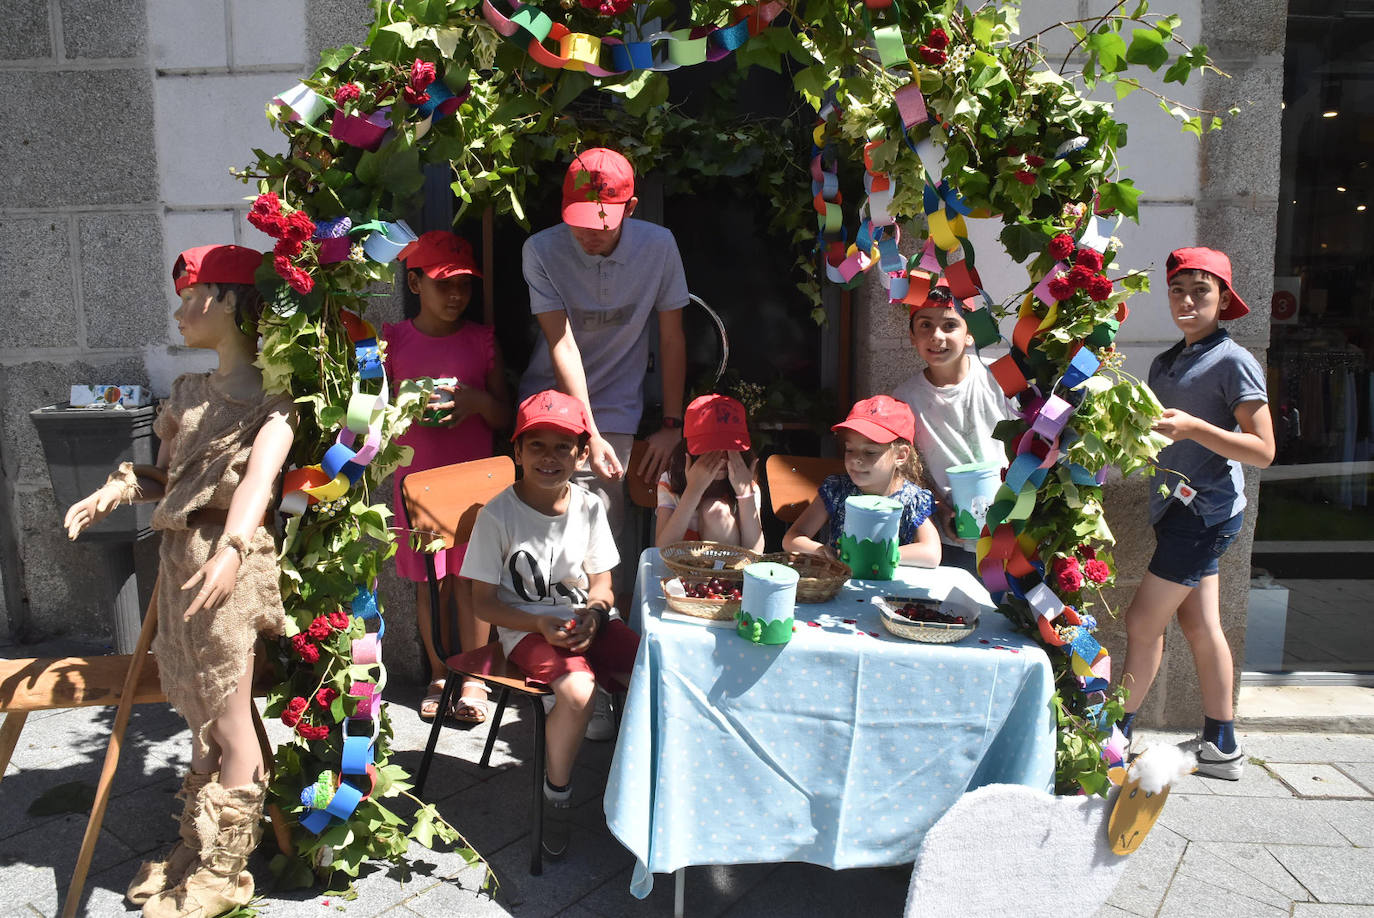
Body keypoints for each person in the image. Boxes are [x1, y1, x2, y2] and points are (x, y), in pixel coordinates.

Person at [63, 245, 294, 917]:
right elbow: (173, 480)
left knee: (230, 715)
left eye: (189, 293)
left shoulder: (276, 406)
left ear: (225, 301)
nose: (178, 308)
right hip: (180, 567)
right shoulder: (189, 393)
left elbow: (256, 485)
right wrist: (120, 486)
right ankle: (196, 844)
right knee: (200, 716)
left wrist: (231, 549)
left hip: (231, 570)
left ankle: (224, 868)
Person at [460, 390, 640, 858]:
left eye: (563, 446)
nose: (549, 457)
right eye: (536, 444)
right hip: (526, 629)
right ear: (516, 451)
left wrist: (597, 615)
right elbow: (483, 604)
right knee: (578, 692)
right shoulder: (498, 515)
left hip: (588, 622)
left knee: (652, 667)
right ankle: (557, 794)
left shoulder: (589, 506)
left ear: (582, 454)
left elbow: (603, 584)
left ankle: (640, 787)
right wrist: (539, 627)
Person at [1118, 247, 1274, 779]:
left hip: (1204, 514)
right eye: (1178, 289)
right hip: (1177, 509)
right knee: (1201, 623)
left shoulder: (1233, 361)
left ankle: (1114, 738)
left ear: (1224, 298)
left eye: (1201, 290)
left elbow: (1263, 450)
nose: (1187, 300)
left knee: (1142, 621)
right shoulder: (1168, 361)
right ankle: (1221, 746)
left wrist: (1193, 429)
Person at [518, 146, 690, 566]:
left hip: (616, 403)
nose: (588, 234)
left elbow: (671, 337)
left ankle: (600, 623)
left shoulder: (660, 246)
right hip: (550, 400)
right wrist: (586, 432)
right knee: (544, 530)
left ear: (629, 208)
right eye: (578, 221)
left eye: (602, 224)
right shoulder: (540, 250)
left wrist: (672, 423)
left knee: (600, 529)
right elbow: (563, 342)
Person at [385, 230, 511, 725]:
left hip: (474, 485)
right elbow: (371, 411)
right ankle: (440, 672)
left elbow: (504, 417)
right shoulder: (392, 341)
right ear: (415, 284)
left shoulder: (482, 339)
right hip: (417, 481)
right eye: (444, 285)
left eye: (464, 285)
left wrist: (476, 401)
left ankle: (475, 676)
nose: (457, 295)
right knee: (429, 582)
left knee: (472, 578)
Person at [891, 286, 1018, 573]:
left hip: (1010, 527)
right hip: (950, 538)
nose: (937, 336)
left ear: (970, 333)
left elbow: (1032, 438)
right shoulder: (904, 399)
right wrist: (939, 506)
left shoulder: (1001, 376)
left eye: (950, 325)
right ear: (912, 336)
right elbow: (906, 469)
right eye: (925, 325)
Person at [782, 395, 941, 567]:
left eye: (870, 452)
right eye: (850, 449)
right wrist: (820, 550)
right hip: (841, 587)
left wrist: (876, 554)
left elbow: (932, 553)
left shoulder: (911, 499)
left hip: (891, 591)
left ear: (901, 455)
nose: (856, 459)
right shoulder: (836, 489)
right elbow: (792, 538)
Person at [654, 393, 763, 552]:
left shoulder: (747, 483)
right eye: (710, 449)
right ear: (689, 451)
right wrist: (693, 491)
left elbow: (755, 552)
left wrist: (745, 494)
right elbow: (663, 549)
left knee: (715, 510)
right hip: (681, 571)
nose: (721, 457)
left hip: (731, 572)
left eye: (729, 448)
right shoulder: (671, 481)